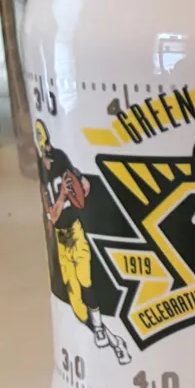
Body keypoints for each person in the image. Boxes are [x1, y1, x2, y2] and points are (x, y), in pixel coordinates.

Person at [35, 120, 130, 364]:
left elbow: (79, 180)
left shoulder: (60, 158)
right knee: (76, 304)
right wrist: (63, 195)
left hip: (76, 232)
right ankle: (113, 339)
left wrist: (80, 183)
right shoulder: (43, 174)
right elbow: (53, 214)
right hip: (61, 240)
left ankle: (100, 330)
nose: (47, 151)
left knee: (87, 282)